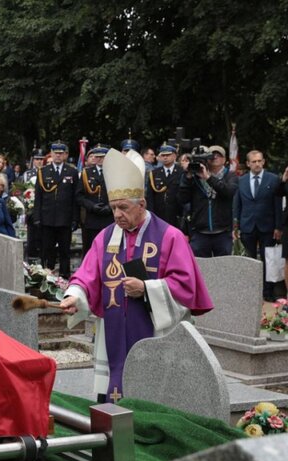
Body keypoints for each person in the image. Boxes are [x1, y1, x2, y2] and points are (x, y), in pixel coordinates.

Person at [60, 148, 212, 402]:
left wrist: (147, 289)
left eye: (123, 207)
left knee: (155, 394)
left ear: (141, 204)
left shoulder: (170, 236)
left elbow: (185, 286)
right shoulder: (106, 236)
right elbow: (86, 275)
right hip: (114, 327)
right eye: (113, 208)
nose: (117, 214)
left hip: (156, 331)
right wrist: (75, 296)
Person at [234, 150, 282, 301]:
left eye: (259, 161)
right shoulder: (241, 180)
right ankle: (250, 292)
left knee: (269, 260)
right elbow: (237, 204)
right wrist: (235, 226)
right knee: (249, 261)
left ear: (263, 162)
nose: (257, 164)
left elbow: (278, 204)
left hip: (268, 226)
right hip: (247, 225)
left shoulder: (273, 179)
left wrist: (278, 227)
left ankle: (267, 292)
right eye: (253, 161)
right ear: (248, 164)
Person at [178, 145, 238, 257]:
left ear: (225, 160)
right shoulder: (196, 176)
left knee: (223, 268)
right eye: (212, 155)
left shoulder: (230, 176)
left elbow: (228, 192)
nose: (215, 157)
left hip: (223, 232)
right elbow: (183, 199)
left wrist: (208, 177)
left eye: (219, 155)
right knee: (200, 269)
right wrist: (188, 176)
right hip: (200, 232)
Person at [34, 140, 79, 277]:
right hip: (47, 218)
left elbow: (75, 198)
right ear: (51, 154)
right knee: (48, 250)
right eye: (56, 153)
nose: (58, 156)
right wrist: (37, 217)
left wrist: (75, 219)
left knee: (65, 251)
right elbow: (38, 197)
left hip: (65, 219)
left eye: (61, 153)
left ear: (65, 154)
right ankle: (47, 277)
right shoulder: (43, 171)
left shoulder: (71, 171)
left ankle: (65, 277)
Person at [76, 144, 114, 256]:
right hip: (92, 218)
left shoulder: (115, 172)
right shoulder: (86, 173)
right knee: (90, 250)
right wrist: (91, 206)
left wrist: (110, 206)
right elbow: (79, 196)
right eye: (97, 157)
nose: (99, 159)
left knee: (109, 251)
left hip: (109, 217)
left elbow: (120, 194)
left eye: (102, 157)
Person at [145, 143, 183, 230]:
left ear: (174, 156)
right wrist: (150, 215)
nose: (165, 157)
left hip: (176, 214)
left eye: (168, 155)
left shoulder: (181, 172)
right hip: (159, 215)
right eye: (163, 155)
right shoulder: (154, 173)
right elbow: (150, 197)